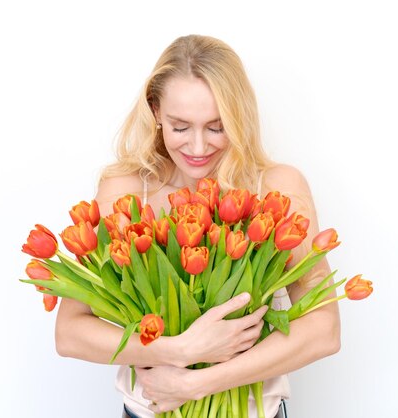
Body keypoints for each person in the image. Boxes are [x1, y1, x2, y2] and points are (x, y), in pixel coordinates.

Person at [55, 34, 341, 418]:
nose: (198, 145)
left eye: (217, 127)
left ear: (239, 117)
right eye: (180, 126)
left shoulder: (275, 188)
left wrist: (195, 383)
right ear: (155, 111)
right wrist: (181, 349)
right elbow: (70, 332)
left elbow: (324, 329)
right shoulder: (125, 191)